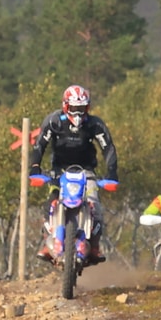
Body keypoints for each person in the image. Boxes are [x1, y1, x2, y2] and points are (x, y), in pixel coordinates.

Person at [31, 84, 118, 261]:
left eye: (82, 109)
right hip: (59, 170)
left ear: (88, 107)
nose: (78, 113)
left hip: (86, 171)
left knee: (94, 205)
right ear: (65, 106)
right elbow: (40, 144)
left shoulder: (94, 124)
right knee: (51, 203)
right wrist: (34, 167)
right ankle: (48, 242)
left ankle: (94, 246)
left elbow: (108, 147)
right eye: (74, 108)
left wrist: (112, 172)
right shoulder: (54, 121)